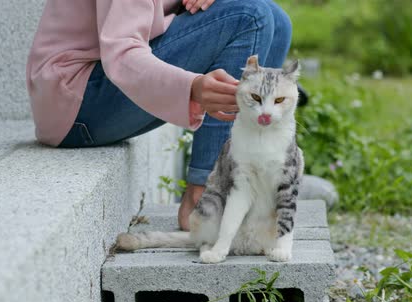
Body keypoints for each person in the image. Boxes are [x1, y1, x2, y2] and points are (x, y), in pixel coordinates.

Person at [26, 0, 295, 230]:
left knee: (276, 21)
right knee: (250, 15)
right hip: (78, 98)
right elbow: (121, 54)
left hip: (101, 87)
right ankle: (205, 200)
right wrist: (191, 87)